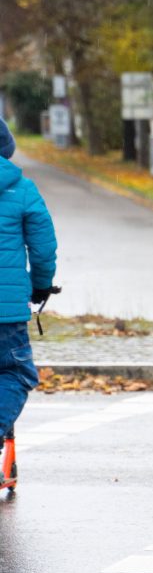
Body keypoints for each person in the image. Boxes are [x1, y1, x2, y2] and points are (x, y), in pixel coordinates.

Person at [0, 119, 58, 437]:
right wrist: (41, 286)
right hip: (5, 314)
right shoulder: (22, 190)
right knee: (14, 372)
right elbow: (42, 249)